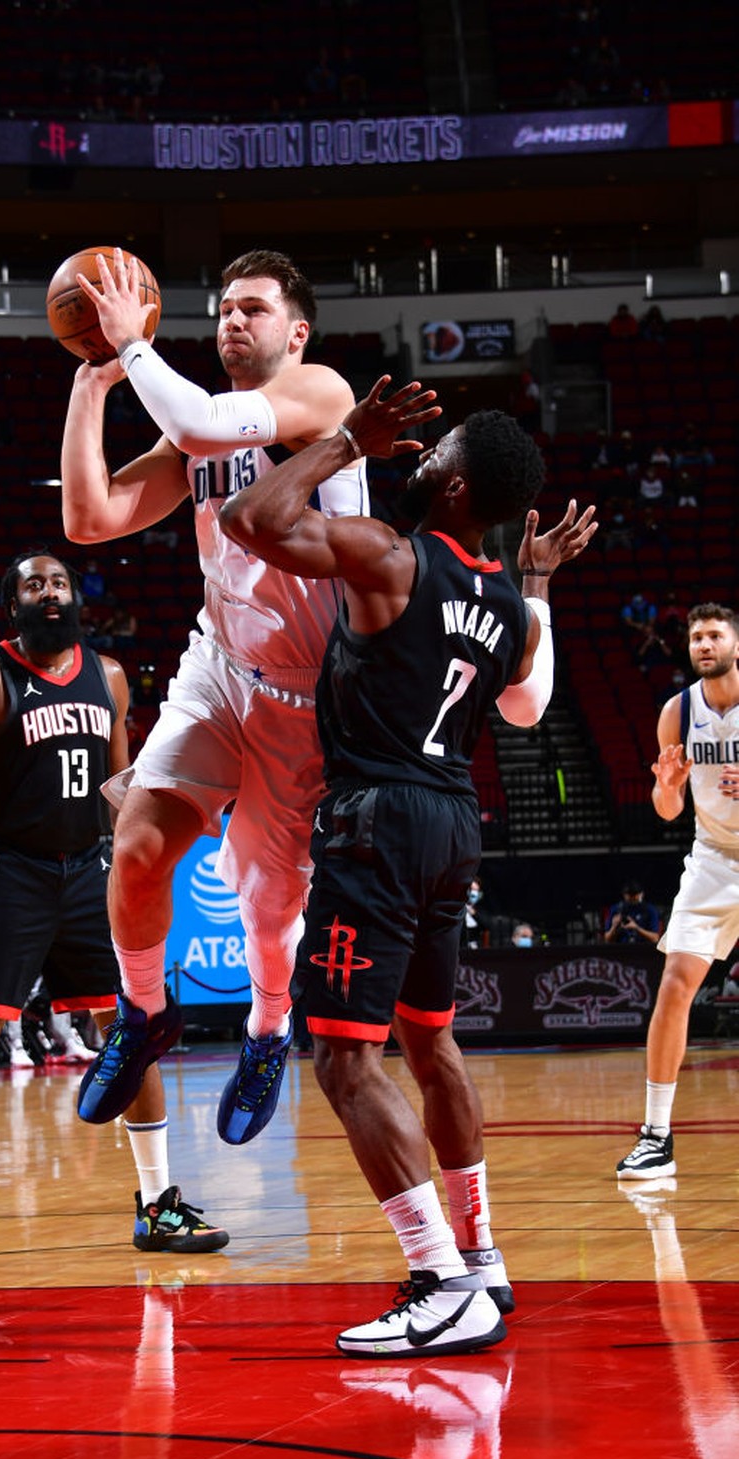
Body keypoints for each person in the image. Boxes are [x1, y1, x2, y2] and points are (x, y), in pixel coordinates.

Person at [217, 375, 596, 1356]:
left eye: (437, 455)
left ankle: (438, 1279)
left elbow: (249, 518)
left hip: (376, 820)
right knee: (432, 1043)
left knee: (347, 1057)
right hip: (453, 821)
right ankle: (482, 1256)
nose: (418, 462)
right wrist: (539, 580)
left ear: (461, 491)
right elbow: (528, 704)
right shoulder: (510, 611)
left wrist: (348, 440)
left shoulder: (392, 557)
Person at [62, 247, 368, 1145]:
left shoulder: (323, 395)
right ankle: (145, 1011)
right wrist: (93, 381)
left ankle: (269, 1030)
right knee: (140, 845)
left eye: (255, 309)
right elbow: (91, 518)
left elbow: (197, 421)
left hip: (307, 700)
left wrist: (132, 344)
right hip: (218, 666)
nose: (233, 321)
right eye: (225, 308)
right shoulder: (194, 429)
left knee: (269, 910)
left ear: (296, 330)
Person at [0, 550, 228, 1275]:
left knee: (132, 1031)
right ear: (11, 603)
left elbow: (122, 785)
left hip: (89, 872)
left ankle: (158, 1203)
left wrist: (136, 869)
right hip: (9, 872)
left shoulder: (107, 675)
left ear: (77, 597)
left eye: (59, 583)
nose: (49, 593)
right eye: (33, 585)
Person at [616, 603, 739, 1181]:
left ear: (735, 643)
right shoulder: (677, 711)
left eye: (715, 635)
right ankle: (656, 1137)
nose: (705, 644)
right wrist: (667, 786)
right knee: (675, 984)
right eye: (696, 637)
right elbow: (667, 810)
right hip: (714, 859)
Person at [603, 881, 662, 946]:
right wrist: (614, 927)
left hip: (643, 948)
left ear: (641, 894)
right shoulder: (616, 909)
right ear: (624, 895)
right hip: (621, 948)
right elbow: (607, 939)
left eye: (635, 895)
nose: (632, 898)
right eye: (630, 895)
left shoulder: (650, 910)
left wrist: (636, 928)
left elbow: (655, 938)